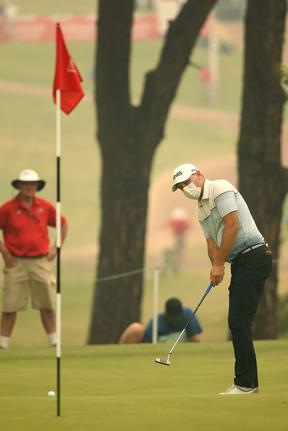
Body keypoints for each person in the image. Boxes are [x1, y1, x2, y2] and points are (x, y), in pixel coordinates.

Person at [171, 163, 273, 395]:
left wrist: (219, 264)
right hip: (241, 262)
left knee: (238, 321)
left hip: (255, 256)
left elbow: (232, 225)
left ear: (199, 175)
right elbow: (211, 243)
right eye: (180, 187)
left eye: (187, 182)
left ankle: (246, 384)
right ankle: (248, 383)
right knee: (238, 321)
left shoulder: (220, 188)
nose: (186, 189)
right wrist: (215, 265)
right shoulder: (200, 210)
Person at [0, 169, 68, 349]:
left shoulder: (44, 207)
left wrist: (56, 248)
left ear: (37, 186)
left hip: (40, 261)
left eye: (33, 184)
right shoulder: (7, 208)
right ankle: (3, 344)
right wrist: (4, 252)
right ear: (19, 186)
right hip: (15, 262)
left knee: (47, 303)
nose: (29, 187)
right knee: (10, 306)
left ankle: (54, 341)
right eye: (26, 184)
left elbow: (63, 224)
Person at [119, 297, 202, 343]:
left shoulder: (189, 315)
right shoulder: (156, 323)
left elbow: (196, 339)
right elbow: (147, 344)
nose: (175, 321)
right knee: (135, 328)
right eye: (172, 318)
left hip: (182, 355)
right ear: (166, 314)